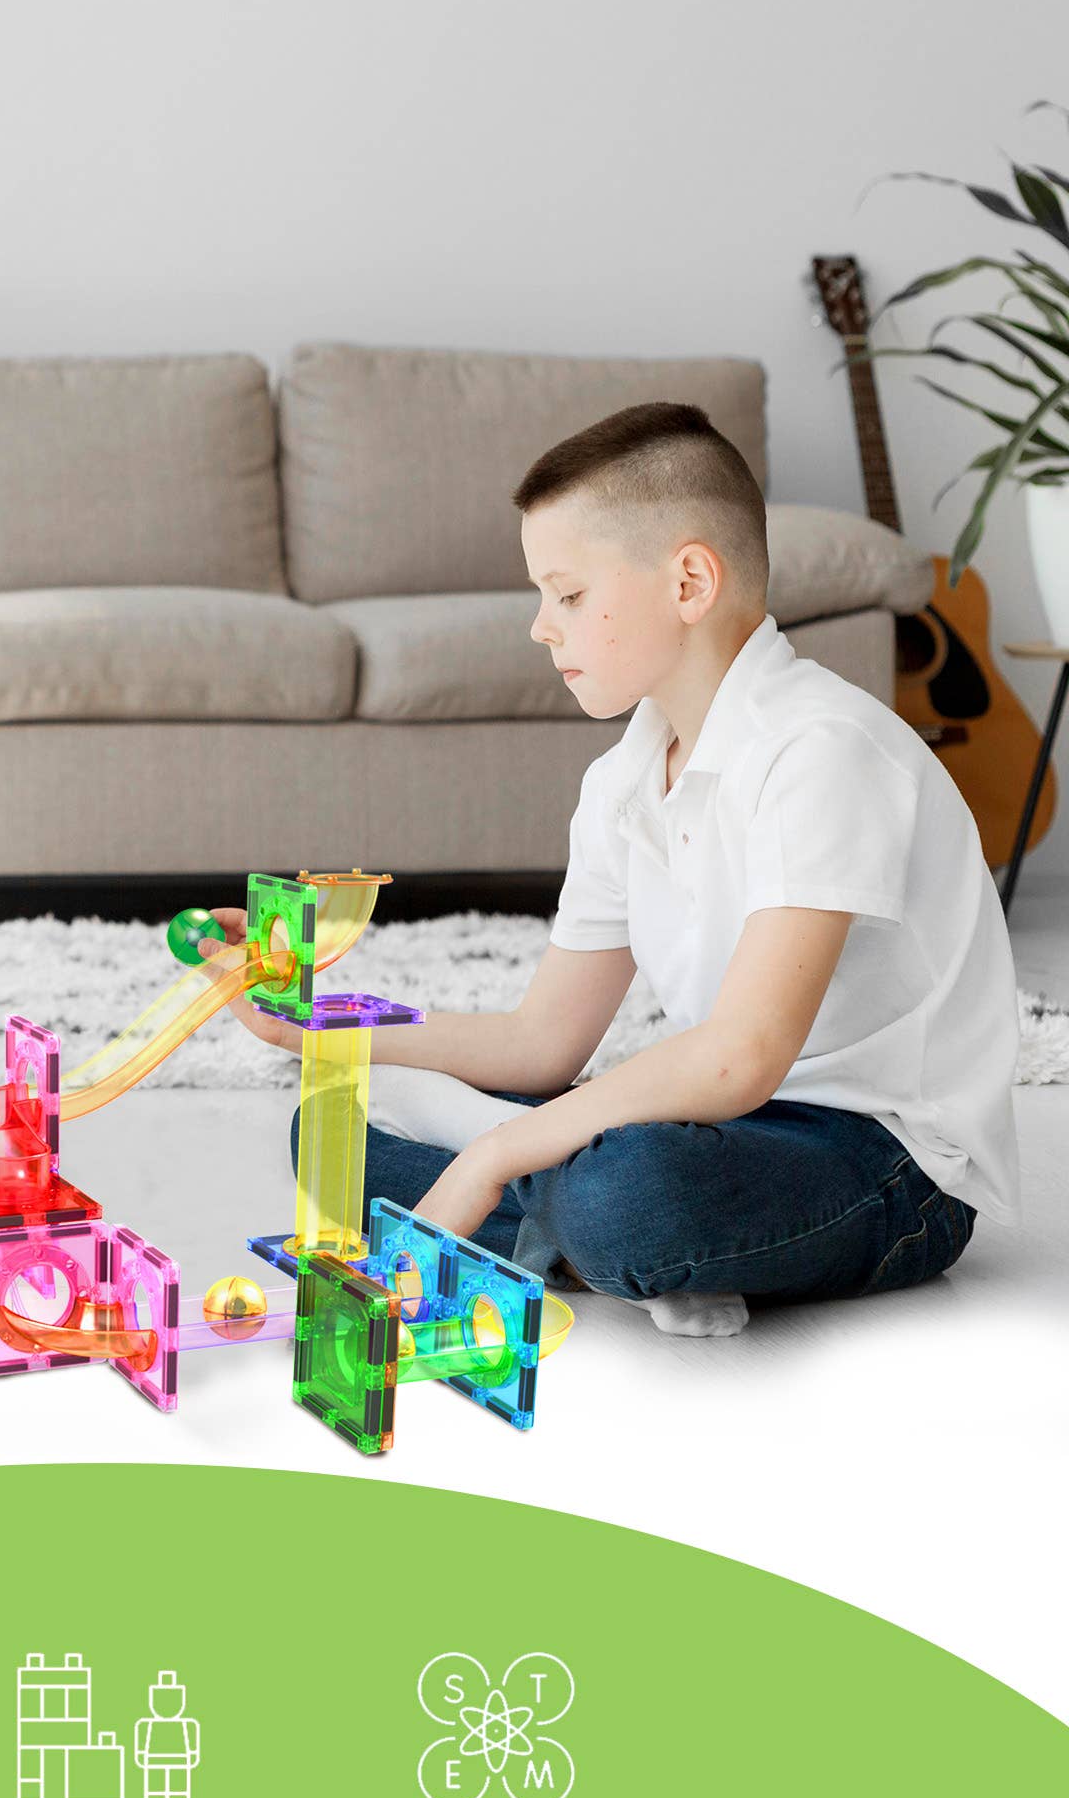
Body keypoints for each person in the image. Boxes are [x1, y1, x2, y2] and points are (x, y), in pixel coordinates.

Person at [221, 401, 1018, 1336]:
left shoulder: (822, 749)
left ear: (688, 581)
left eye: (565, 594)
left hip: (883, 1165)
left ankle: (588, 1220)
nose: (539, 628)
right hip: (720, 1124)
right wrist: (314, 1020)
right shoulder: (623, 781)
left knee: (629, 1196)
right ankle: (622, 1243)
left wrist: (492, 1156)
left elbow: (740, 1055)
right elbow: (542, 1043)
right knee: (331, 1141)